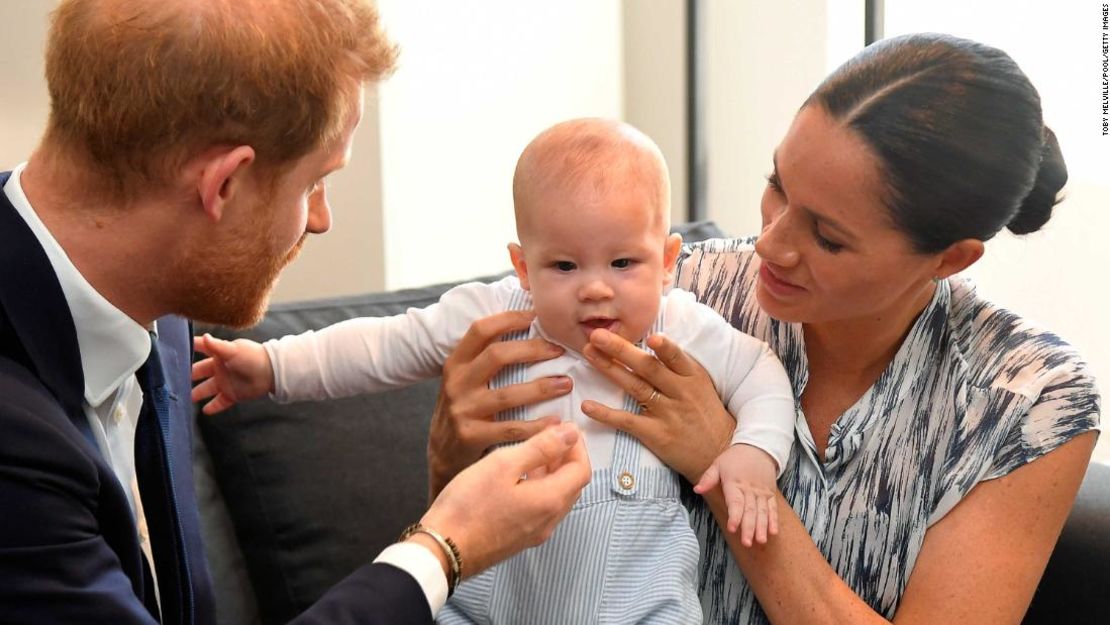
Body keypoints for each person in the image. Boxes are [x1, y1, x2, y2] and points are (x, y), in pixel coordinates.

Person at [429, 33, 1102, 624]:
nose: (771, 246)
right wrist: (449, 454)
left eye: (828, 237)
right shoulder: (675, 292)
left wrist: (726, 466)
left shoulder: (1027, 401)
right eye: (777, 185)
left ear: (950, 258)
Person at [0, 1, 591, 624]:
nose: (321, 218)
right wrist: (443, 549)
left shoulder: (161, 306)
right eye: (315, 181)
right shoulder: (15, 439)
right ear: (224, 185)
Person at [190, 117, 797, 624]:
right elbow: (384, 346)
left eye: (621, 262)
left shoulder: (681, 325)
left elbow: (761, 376)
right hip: (494, 599)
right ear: (523, 267)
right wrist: (272, 366)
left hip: (638, 601)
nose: (594, 290)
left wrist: (750, 455)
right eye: (563, 266)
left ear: (666, 261)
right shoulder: (497, 312)